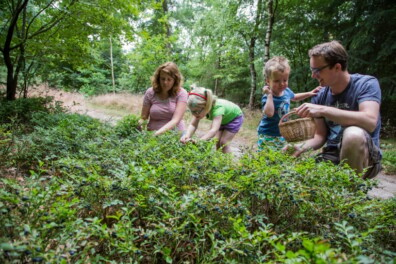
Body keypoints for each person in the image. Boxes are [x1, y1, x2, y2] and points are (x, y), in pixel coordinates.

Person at [284, 40, 382, 179]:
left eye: (317, 70)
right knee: (301, 180)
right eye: (312, 70)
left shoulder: (366, 84)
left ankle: (352, 191)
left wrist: (323, 110)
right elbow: (320, 136)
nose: (313, 75)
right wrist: (301, 147)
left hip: (366, 158)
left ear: (337, 67)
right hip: (331, 155)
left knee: (353, 134)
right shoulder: (320, 96)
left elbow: (370, 121)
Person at [257, 56, 321, 150]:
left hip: (282, 133)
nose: (282, 84)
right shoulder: (268, 97)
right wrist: (270, 95)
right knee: (267, 157)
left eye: (285, 80)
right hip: (267, 133)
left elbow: (294, 97)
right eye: (277, 81)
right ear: (268, 81)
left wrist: (310, 93)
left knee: (281, 156)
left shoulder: (286, 91)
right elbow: (269, 113)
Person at [180, 86, 244, 153]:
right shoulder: (198, 110)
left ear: (206, 106)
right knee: (217, 141)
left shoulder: (218, 109)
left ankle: (228, 162)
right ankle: (219, 159)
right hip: (222, 119)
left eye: (197, 111)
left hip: (234, 118)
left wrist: (199, 141)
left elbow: (213, 130)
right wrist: (187, 136)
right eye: (192, 111)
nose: (194, 114)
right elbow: (193, 125)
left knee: (224, 142)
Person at [139, 62, 188, 136]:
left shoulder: (181, 93)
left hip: (174, 136)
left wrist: (157, 134)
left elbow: (175, 120)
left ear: (175, 80)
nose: (165, 82)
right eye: (163, 79)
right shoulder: (150, 92)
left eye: (169, 79)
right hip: (152, 134)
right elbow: (143, 117)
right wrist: (140, 126)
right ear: (158, 79)